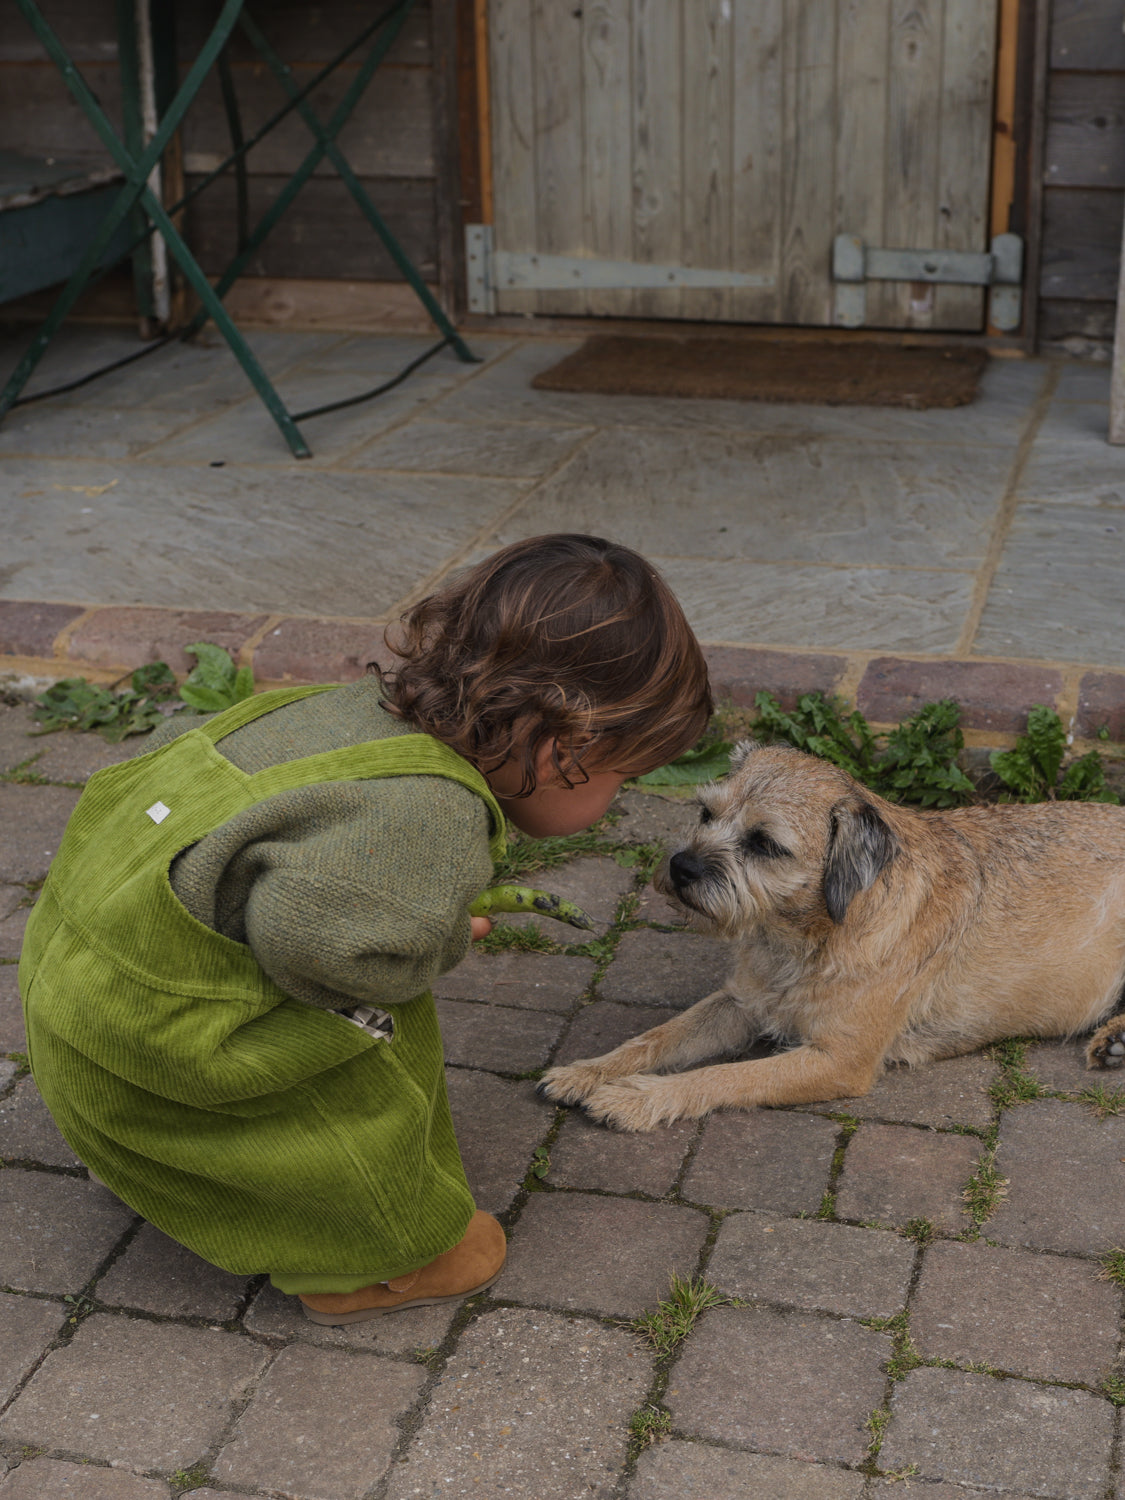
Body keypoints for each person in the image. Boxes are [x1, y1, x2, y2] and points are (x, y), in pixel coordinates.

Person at [18, 534, 712, 1325]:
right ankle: (372, 1262)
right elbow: (314, 941)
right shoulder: (426, 811)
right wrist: (434, 939)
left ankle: (157, 1167)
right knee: (358, 1066)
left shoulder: (329, 713)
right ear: (565, 750)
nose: (616, 800)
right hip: (170, 1052)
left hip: (79, 1008)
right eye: (623, 779)